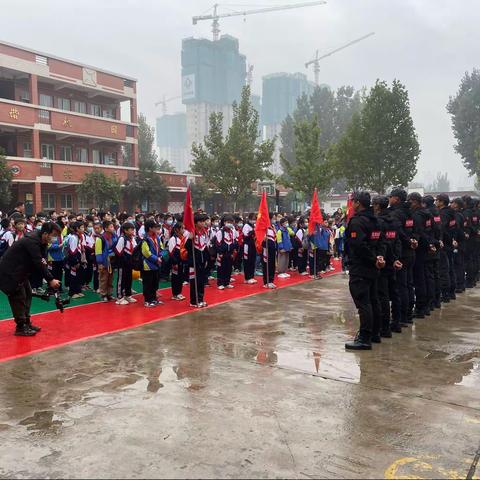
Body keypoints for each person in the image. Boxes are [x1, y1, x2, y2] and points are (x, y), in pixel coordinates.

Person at [0, 222, 61, 336]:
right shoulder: (32, 241)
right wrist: (50, 279)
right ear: (45, 233)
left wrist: (48, 276)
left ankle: (26, 322)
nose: (55, 238)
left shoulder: (41, 241)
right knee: (19, 297)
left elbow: (41, 261)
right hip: (10, 272)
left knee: (28, 293)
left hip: (20, 272)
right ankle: (21, 326)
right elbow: (38, 262)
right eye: (54, 235)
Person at [344, 191, 385, 350]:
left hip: (361, 267)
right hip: (373, 267)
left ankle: (365, 337)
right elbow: (381, 242)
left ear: (358, 203)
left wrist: (375, 258)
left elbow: (359, 246)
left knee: (364, 303)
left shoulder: (358, 222)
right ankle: (375, 333)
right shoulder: (375, 220)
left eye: (353, 201)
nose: (352, 204)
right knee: (373, 301)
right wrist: (379, 257)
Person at [372, 195, 403, 336]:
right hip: (393, 261)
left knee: (382, 295)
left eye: (374, 204)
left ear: (378, 206)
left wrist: (386, 259)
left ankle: (384, 327)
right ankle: (396, 322)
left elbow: (383, 244)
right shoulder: (394, 221)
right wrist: (395, 258)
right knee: (394, 292)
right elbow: (397, 242)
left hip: (384, 262)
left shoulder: (378, 222)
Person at [186, 213, 210, 307]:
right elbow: (187, 247)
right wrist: (189, 239)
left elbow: (205, 247)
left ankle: (200, 299)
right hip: (194, 262)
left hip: (202, 261)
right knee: (194, 282)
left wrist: (206, 259)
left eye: (204, 221)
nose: (203, 223)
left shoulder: (204, 233)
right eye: (201, 221)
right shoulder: (191, 233)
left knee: (201, 282)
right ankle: (193, 301)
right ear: (195, 223)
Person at [141, 219, 163, 307]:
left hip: (156, 264)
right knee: (147, 283)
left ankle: (154, 299)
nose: (156, 229)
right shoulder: (145, 239)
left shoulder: (156, 237)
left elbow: (161, 247)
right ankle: (147, 300)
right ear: (150, 228)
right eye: (155, 227)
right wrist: (156, 259)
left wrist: (160, 256)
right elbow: (146, 252)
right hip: (148, 265)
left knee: (155, 282)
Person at [114, 222, 137, 305]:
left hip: (130, 263)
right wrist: (124, 260)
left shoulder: (132, 239)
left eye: (133, 229)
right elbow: (118, 252)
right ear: (125, 230)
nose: (133, 231)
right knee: (121, 280)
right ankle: (119, 297)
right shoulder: (122, 239)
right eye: (131, 229)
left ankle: (128, 295)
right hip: (122, 263)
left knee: (129, 279)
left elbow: (134, 249)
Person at [95, 220, 117, 302]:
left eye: (113, 226)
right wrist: (100, 263)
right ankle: (103, 294)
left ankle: (109, 294)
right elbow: (98, 252)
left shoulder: (114, 237)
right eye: (111, 227)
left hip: (112, 261)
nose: (113, 228)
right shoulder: (100, 239)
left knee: (111, 278)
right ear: (106, 228)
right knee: (103, 278)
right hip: (104, 261)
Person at [216, 215, 237, 289]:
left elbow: (233, 242)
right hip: (222, 254)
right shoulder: (220, 232)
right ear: (224, 222)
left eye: (231, 222)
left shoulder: (232, 232)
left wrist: (233, 252)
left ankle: (227, 282)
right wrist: (220, 253)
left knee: (228, 268)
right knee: (221, 268)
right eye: (228, 222)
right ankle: (220, 283)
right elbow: (218, 243)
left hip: (229, 253)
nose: (230, 224)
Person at [168, 221, 187, 301]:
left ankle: (179, 293)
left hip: (182, 261)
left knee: (180, 277)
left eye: (184, 228)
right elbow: (171, 253)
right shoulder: (173, 239)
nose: (183, 230)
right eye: (182, 228)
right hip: (175, 262)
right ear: (176, 230)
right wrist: (174, 263)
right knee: (175, 278)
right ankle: (175, 294)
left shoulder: (183, 238)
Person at [261, 212, 277, 289]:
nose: (275, 219)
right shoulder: (265, 227)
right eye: (273, 218)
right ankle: (266, 281)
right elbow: (262, 239)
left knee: (272, 264)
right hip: (266, 248)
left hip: (273, 247)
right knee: (266, 264)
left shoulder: (273, 226)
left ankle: (271, 280)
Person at [242, 213, 257, 284]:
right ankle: (247, 277)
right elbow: (245, 235)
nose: (254, 221)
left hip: (253, 245)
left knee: (252, 261)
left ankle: (251, 276)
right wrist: (253, 231)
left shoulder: (254, 225)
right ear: (249, 219)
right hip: (247, 245)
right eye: (253, 219)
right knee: (247, 261)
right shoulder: (246, 226)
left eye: (255, 219)